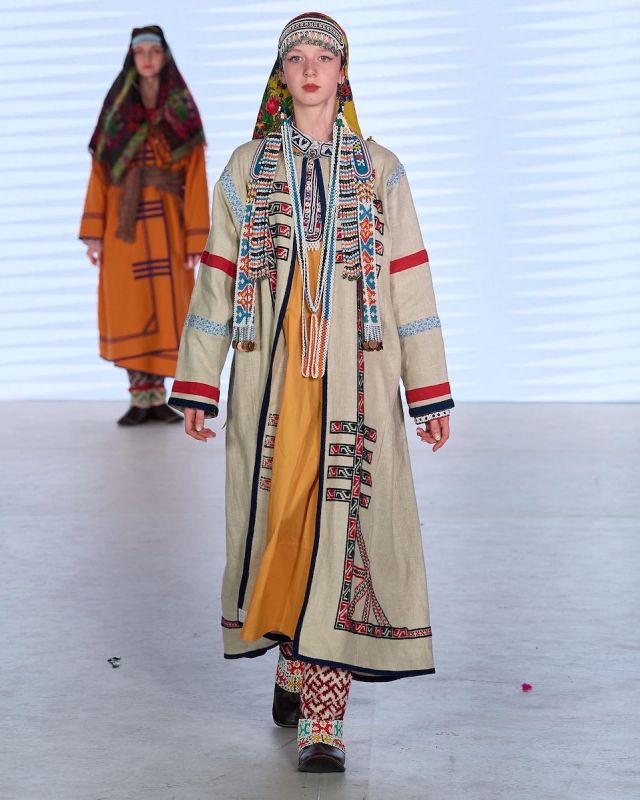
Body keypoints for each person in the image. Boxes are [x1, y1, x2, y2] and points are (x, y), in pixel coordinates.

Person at [169, 12, 454, 773]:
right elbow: (218, 277)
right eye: (295, 56)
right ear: (281, 74)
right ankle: (294, 662)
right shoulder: (246, 167)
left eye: (323, 56)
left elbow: (408, 280)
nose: (309, 68)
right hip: (272, 383)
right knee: (284, 523)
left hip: (357, 379)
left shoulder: (381, 169)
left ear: (343, 72)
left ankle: (323, 720)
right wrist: (198, 382)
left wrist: (428, 390)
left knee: (342, 526)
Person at [79, 25, 209, 426]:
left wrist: (195, 238)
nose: (148, 59)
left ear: (164, 57)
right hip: (125, 227)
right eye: (141, 52)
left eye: (154, 51)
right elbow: (101, 173)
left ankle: (160, 399)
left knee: (170, 308)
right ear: (132, 59)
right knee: (130, 308)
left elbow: (195, 175)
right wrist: (94, 235)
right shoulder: (117, 112)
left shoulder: (181, 110)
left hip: (169, 227)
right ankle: (141, 398)